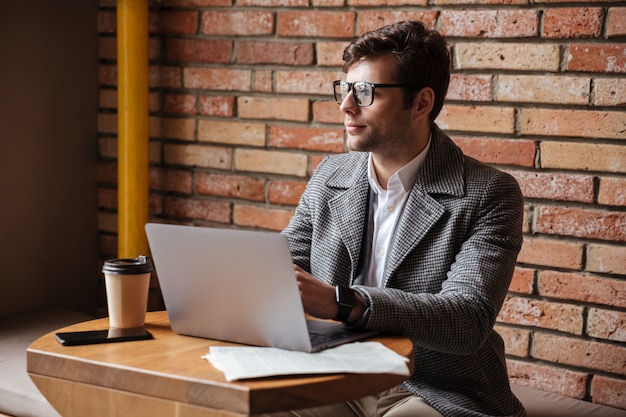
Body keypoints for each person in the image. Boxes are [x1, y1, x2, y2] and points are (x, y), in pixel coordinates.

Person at [277, 20, 526, 417]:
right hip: (342, 372)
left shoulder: (489, 193)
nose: (346, 105)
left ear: (422, 103)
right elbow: (284, 264)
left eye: (365, 92)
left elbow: (467, 318)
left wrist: (343, 302)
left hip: (436, 388)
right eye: (345, 89)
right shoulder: (330, 176)